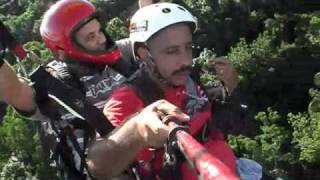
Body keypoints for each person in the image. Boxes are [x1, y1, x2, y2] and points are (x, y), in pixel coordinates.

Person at [0, 0, 188, 179]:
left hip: (160, 165)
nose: (101, 39)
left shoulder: (121, 55)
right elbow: (14, 92)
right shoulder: (54, 84)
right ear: (67, 46)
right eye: (90, 37)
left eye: (99, 31)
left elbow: (152, 29)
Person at [88, 3, 239, 179]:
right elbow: (100, 168)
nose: (185, 61)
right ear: (145, 55)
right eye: (172, 51)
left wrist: (227, 88)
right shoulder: (126, 102)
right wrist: (136, 130)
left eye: (188, 47)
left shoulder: (182, 78)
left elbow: (198, 104)